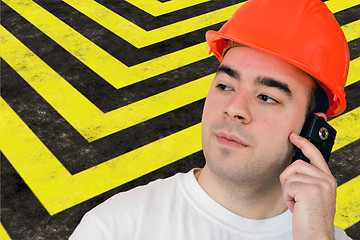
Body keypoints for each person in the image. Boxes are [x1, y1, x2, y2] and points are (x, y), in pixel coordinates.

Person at [70, 0, 352, 239]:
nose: (234, 109)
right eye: (225, 86)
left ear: (313, 130)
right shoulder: (116, 227)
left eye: (266, 97)